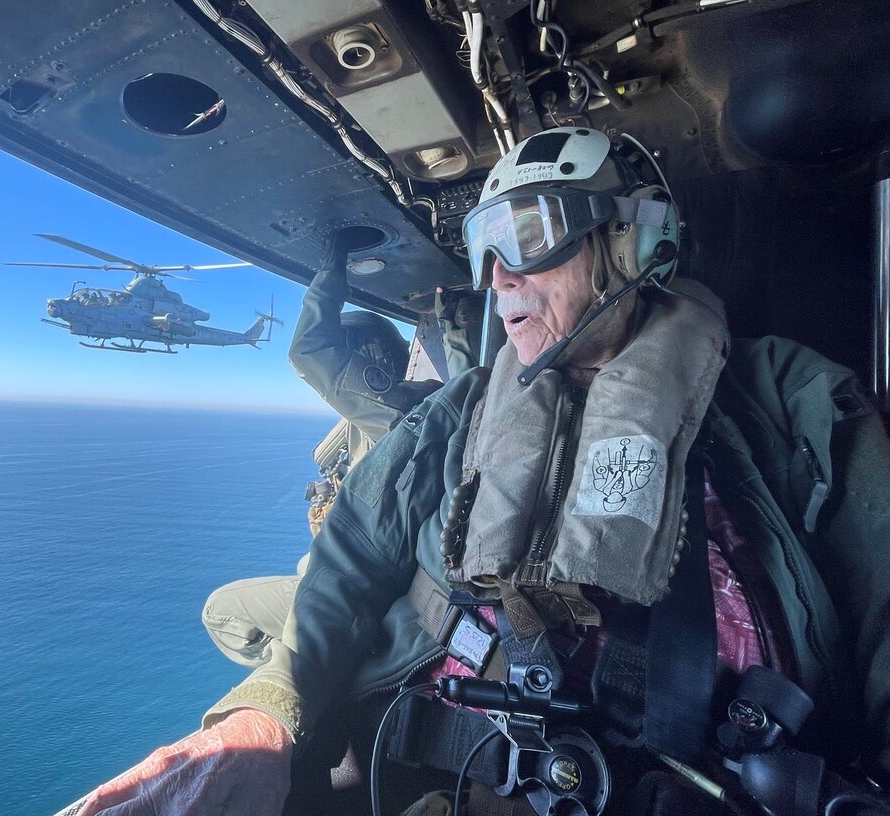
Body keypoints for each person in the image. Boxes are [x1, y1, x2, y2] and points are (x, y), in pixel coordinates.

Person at [77, 127, 890, 816]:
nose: (500, 275)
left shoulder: (786, 397)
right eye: (484, 245)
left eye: (530, 237)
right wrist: (263, 715)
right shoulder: (461, 408)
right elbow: (354, 556)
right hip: (435, 760)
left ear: (630, 241)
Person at [200, 233, 475, 668]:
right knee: (300, 565)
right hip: (397, 578)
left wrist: (333, 264)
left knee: (220, 609)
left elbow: (308, 351)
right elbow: (467, 378)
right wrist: (454, 326)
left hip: (364, 588)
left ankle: (305, 671)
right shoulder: (438, 403)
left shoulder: (394, 416)